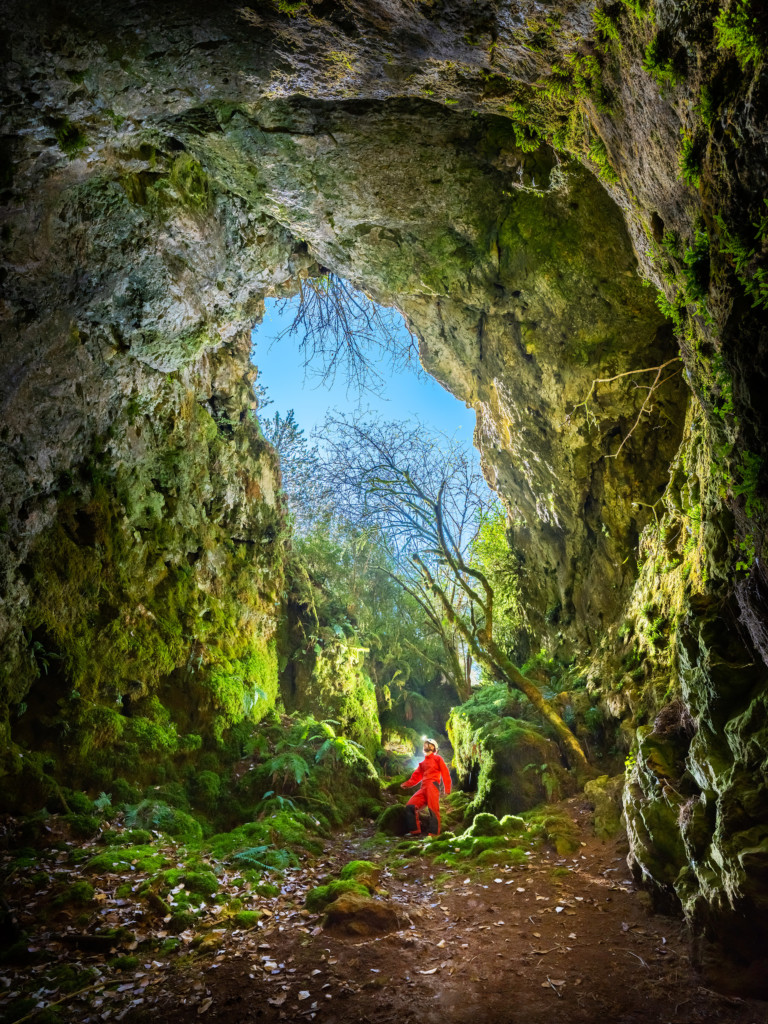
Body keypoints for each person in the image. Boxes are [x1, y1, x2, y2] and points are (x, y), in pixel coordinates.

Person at [401, 737, 451, 836]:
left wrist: (447, 788)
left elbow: (445, 773)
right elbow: (416, 776)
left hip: (432, 786)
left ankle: (433, 834)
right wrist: (407, 784)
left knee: (433, 809)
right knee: (410, 806)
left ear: (434, 747)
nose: (426, 746)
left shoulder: (438, 759)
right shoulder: (422, 763)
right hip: (423, 788)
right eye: (425, 744)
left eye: (429, 744)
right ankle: (414, 831)